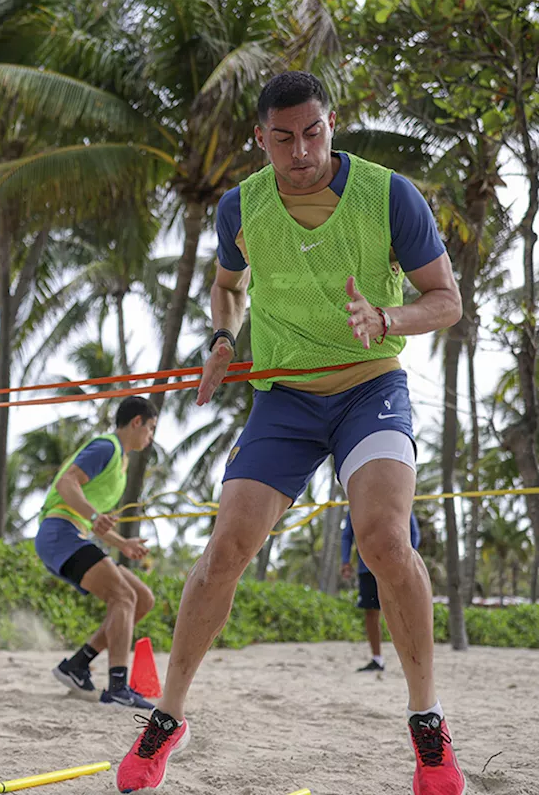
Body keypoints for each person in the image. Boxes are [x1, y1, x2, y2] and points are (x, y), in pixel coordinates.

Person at [117, 71, 465, 795]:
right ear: (261, 139)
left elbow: (446, 301)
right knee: (224, 551)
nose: (301, 150)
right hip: (283, 400)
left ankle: (427, 723)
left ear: (331, 124)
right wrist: (220, 340)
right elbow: (228, 286)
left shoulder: (390, 194)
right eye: (284, 138)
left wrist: (387, 318)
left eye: (313, 133)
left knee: (384, 540)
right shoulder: (241, 206)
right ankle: (167, 718)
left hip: (371, 387)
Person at [35, 396, 160, 709]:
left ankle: (77, 665)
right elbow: (66, 484)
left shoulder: (122, 461)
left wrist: (123, 544)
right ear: (137, 422)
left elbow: (96, 522)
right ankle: (117, 687)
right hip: (59, 533)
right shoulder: (107, 448)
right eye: (151, 428)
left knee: (141, 598)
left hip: (72, 533)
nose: (151, 437)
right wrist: (93, 517)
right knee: (124, 597)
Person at [342, 511, 422, 672]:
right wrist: (345, 561)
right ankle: (377, 659)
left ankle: (413, 660)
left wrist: (406, 559)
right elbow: (347, 536)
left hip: (395, 566)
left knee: (403, 612)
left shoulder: (395, 496)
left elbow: (413, 532)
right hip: (367, 567)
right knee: (371, 612)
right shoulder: (356, 503)